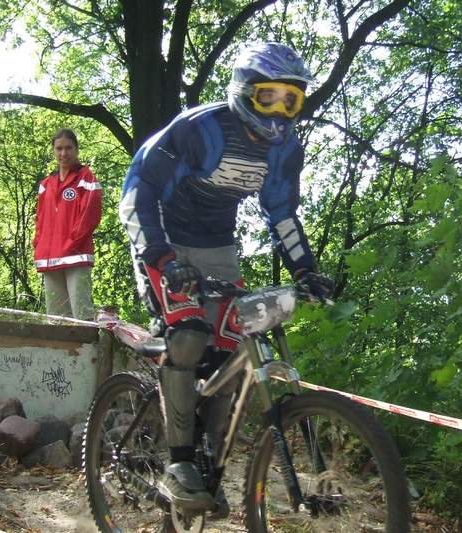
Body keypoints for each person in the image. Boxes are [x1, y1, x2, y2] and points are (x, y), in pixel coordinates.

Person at [119, 42, 334, 515]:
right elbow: (136, 193)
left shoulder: (285, 150)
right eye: (268, 96)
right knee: (188, 336)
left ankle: (208, 462)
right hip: (162, 236)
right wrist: (161, 257)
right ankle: (179, 464)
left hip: (217, 247)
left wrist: (306, 270)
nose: (278, 111)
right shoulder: (199, 128)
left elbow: (282, 213)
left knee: (231, 350)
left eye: (291, 100)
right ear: (243, 91)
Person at [33, 128, 103, 320]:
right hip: (49, 258)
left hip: (75, 255)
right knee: (56, 319)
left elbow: (90, 216)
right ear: (53, 151)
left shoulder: (86, 178)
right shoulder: (46, 184)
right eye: (59, 148)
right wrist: (38, 245)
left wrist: (71, 242)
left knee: (81, 315)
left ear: (76, 149)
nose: (64, 153)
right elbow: (40, 220)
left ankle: (87, 341)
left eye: (68, 148)